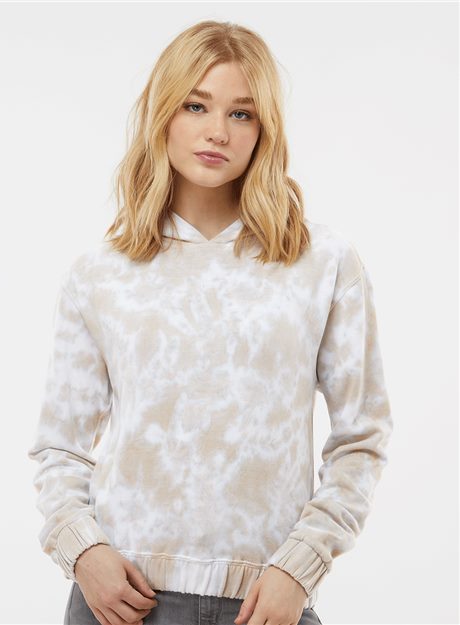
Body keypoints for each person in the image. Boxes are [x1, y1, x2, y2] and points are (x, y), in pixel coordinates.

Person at [27, 19, 393, 625]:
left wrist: (300, 566)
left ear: (264, 130)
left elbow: (362, 437)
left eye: (241, 113)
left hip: (267, 604)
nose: (217, 131)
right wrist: (83, 551)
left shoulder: (321, 263)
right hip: (124, 601)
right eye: (196, 105)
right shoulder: (101, 274)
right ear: (163, 113)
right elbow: (59, 446)